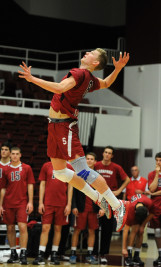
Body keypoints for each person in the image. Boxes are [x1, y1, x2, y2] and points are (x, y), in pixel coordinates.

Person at [18, 49, 130, 232]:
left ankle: (117, 205)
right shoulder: (89, 79)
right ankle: (97, 197)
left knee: (83, 171)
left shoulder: (80, 73)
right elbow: (107, 82)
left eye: (91, 53)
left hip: (64, 126)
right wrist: (117, 69)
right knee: (60, 173)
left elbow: (60, 88)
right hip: (54, 126)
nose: (87, 52)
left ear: (95, 63)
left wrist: (32, 79)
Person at [94, 146, 130, 263]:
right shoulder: (96, 165)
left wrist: (119, 191)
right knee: (94, 228)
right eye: (105, 152)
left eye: (109, 153)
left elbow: (127, 180)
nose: (107, 154)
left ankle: (104, 254)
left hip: (110, 199)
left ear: (112, 156)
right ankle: (93, 253)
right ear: (102, 153)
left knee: (107, 229)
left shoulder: (116, 167)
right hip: (96, 197)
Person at [32, 161, 73, 265]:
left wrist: (69, 204)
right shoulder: (46, 165)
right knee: (45, 228)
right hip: (48, 203)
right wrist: (41, 202)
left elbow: (70, 186)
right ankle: (41, 254)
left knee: (58, 229)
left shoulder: (68, 167)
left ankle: (54, 253)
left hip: (62, 203)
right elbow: (42, 184)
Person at [0, 146, 35, 265]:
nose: (14, 156)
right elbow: (3, 188)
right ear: (10, 155)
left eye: (17, 154)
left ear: (20, 155)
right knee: (10, 228)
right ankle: (13, 252)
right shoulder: (6, 170)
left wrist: (30, 202)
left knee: (22, 226)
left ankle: (23, 253)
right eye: (13, 154)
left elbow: (30, 185)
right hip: (8, 203)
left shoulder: (26, 168)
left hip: (22, 202)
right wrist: (0, 204)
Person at [69, 152, 104, 265]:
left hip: (93, 208)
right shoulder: (78, 174)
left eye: (91, 159)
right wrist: (74, 205)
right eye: (87, 159)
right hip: (80, 207)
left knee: (91, 231)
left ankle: (89, 254)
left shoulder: (98, 176)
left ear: (95, 162)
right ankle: (73, 253)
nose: (89, 160)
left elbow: (102, 192)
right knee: (77, 230)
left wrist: (102, 207)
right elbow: (73, 192)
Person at [122, 194, 154, 267]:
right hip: (132, 208)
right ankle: (129, 255)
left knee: (141, 232)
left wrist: (143, 225)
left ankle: (136, 255)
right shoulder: (130, 209)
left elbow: (152, 213)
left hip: (141, 208)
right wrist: (124, 248)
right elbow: (125, 230)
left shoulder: (149, 203)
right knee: (135, 229)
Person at [123, 165, 149, 248]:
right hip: (130, 206)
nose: (134, 172)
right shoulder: (127, 181)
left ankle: (143, 242)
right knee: (131, 225)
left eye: (136, 170)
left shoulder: (144, 181)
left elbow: (148, 193)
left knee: (142, 226)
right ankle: (132, 242)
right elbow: (124, 194)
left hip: (141, 207)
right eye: (133, 170)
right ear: (131, 172)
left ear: (138, 171)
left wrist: (142, 192)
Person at [148, 152, 161, 267]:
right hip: (156, 207)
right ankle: (160, 254)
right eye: (157, 160)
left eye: (160, 160)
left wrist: (156, 192)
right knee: (157, 231)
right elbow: (151, 189)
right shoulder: (152, 174)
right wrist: (157, 174)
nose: (158, 162)